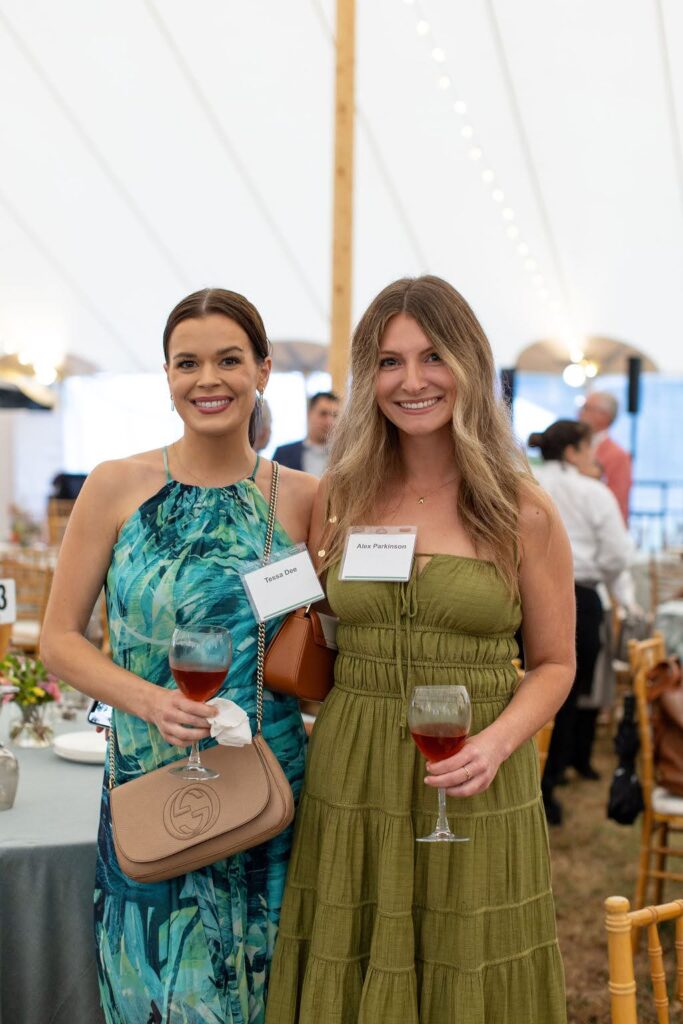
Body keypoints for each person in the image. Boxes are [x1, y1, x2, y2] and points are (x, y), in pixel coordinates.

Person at [265, 275, 575, 1023]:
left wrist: (499, 743)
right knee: (355, 944)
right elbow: (312, 623)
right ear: (366, 377)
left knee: (463, 956)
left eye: (431, 357)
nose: (411, 381)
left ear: (468, 363)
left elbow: (556, 663)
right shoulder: (337, 494)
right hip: (353, 765)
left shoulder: (519, 509)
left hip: (471, 766)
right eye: (388, 360)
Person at [40, 288, 318, 1024]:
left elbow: (328, 640)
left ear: (260, 369)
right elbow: (59, 637)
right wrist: (146, 700)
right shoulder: (115, 485)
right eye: (187, 362)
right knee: (156, 992)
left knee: (268, 993)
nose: (208, 380)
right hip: (151, 778)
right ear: (165, 377)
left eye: (229, 360)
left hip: (272, 787)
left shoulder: (306, 498)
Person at [529, 420, 633, 824]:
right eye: (590, 449)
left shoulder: (525, 479)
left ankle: (522, 777)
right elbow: (616, 557)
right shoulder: (593, 492)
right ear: (573, 451)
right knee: (561, 694)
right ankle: (547, 789)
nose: (593, 458)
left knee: (516, 685)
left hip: (519, 592)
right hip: (577, 593)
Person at [579, 391, 632, 522]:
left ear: (605, 416)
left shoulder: (618, 455)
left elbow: (619, 501)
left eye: (587, 408)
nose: (580, 413)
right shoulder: (573, 446)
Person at [272, 391, 339, 476]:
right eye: (323, 414)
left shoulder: (344, 457)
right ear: (309, 414)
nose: (329, 421)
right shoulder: (283, 454)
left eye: (335, 415)